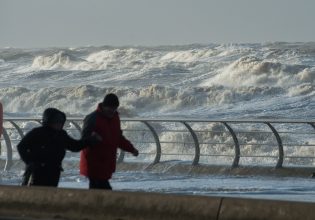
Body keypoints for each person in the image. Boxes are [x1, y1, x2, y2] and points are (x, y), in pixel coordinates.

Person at [17, 108, 100, 187]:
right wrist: (30, 161)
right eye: (56, 122)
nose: (59, 124)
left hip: (54, 171)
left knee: (50, 196)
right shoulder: (37, 132)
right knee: (36, 195)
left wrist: (90, 140)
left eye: (61, 122)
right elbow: (21, 146)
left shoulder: (61, 134)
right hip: (37, 171)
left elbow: (74, 146)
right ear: (48, 121)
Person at [80, 93, 139, 190]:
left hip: (107, 162)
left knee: (99, 193)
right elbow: (83, 139)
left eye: (114, 108)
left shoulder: (115, 118)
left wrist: (131, 149)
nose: (112, 111)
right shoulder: (92, 118)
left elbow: (118, 138)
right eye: (110, 108)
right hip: (93, 163)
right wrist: (93, 137)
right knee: (103, 191)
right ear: (103, 106)